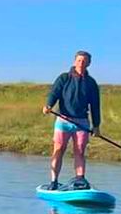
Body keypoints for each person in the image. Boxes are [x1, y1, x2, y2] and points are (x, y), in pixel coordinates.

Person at [42, 49, 102, 190]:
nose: (81, 63)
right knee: (59, 149)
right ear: (75, 61)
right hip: (64, 120)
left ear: (89, 64)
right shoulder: (64, 78)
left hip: (82, 122)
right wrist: (49, 105)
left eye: (84, 61)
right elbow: (54, 93)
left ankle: (80, 180)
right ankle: (54, 181)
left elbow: (95, 105)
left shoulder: (91, 83)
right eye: (79, 60)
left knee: (80, 151)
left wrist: (96, 125)